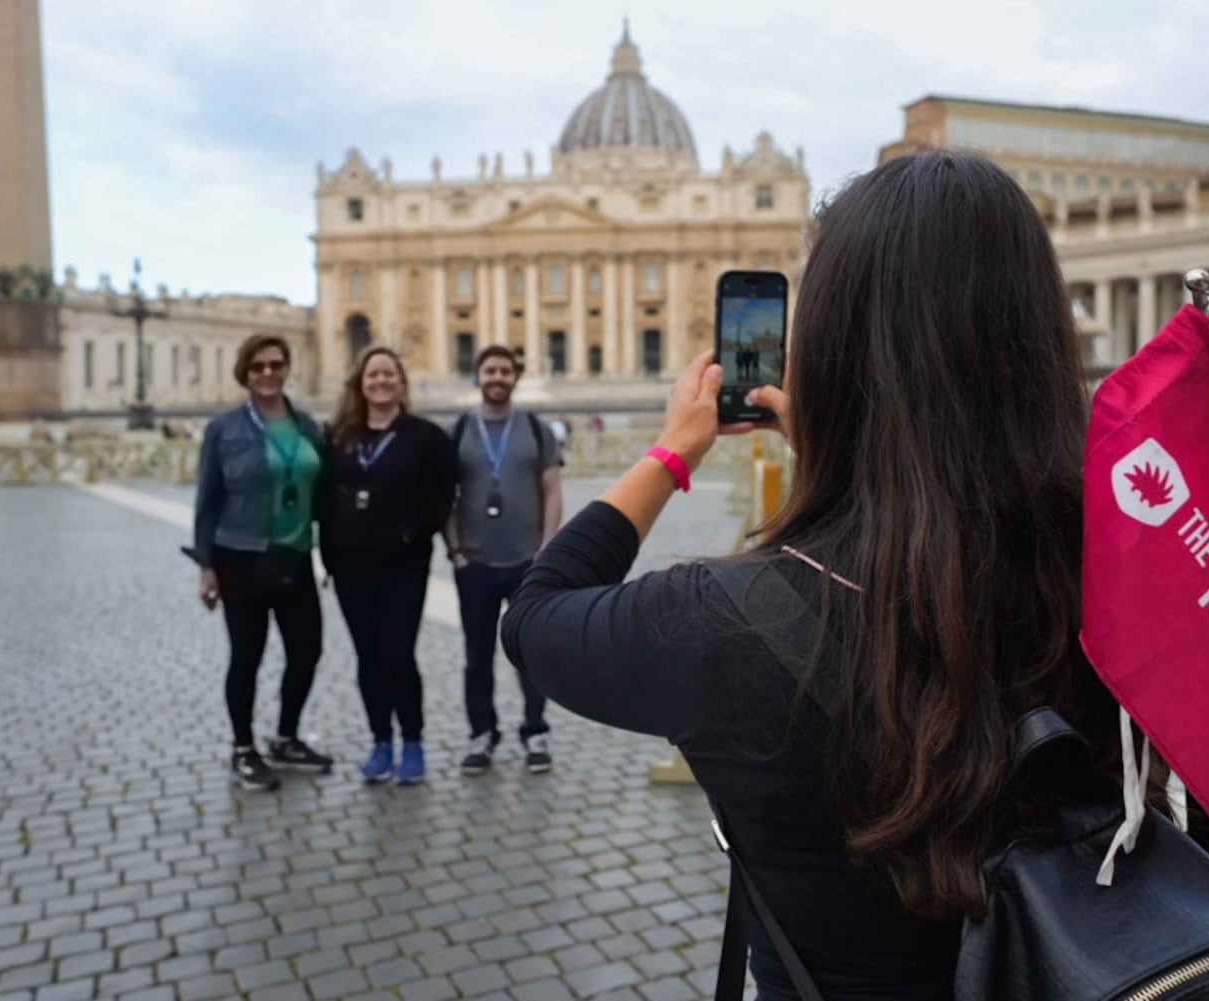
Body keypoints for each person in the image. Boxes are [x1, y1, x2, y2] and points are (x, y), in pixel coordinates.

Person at [500, 152, 1163, 998]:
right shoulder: (1133, 576)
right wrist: (857, 460)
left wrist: (673, 454)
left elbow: (535, 612)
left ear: (832, 354)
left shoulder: (722, 623)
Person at [192, 333, 333, 792]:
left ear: (287, 368)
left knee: (306, 652)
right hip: (241, 556)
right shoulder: (224, 429)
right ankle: (242, 747)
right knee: (246, 656)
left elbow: (326, 490)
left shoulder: (308, 425)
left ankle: (286, 736)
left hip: (294, 555)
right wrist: (206, 566)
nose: (268, 373)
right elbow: (208, 501)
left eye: (276, 364)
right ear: (245, 373)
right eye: (258, 367)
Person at [322, 347, 456, 785]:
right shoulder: (340, 437)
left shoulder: (427, 437)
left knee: (397, 655)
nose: (380, 382)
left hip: (403, 565)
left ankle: (412, 741)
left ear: (401, 382)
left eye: (388, 374)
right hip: (349, 567)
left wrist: (410, 532)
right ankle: (381, 741)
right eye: (372, 375)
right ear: (360, 383)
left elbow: (442, 496)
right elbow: (324, 499)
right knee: (367, 658)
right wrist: (328, 555)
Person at [444, 345, 564, 776]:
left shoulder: (535, 428)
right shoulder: (458, 430)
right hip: (474, 562)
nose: (497, 377)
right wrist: (455, 549)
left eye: (504, 371)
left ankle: (535, 730)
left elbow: (552, 488)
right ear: (479, 377)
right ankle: (482, 733)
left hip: (527, 561)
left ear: (515, 377)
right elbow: (445, 496)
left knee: (530, 651)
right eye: (489, 370)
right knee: (476, 655)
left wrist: (548, 547)